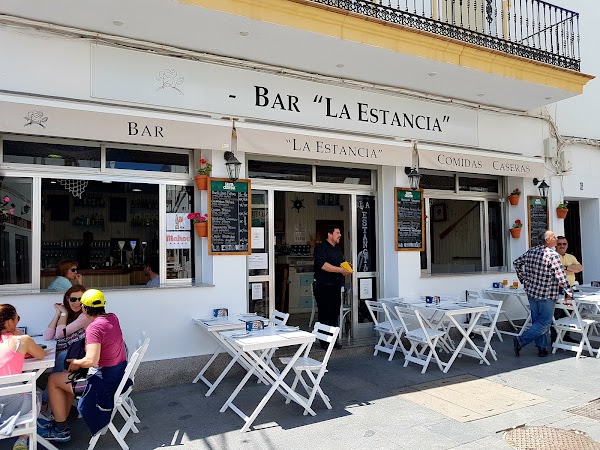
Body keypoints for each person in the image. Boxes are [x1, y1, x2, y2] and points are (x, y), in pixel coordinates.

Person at [38, 289, 127, 442]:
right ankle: (61, 421)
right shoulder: (112, 317)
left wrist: (76, 363)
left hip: (100, 384)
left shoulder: (94, 327)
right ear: (103, 305)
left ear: (84, 308)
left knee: (53, 379)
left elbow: (91, 360)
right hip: (115, 376)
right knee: (63, 378)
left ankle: (61, 430)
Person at [513, 230, 572, 358]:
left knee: (537, 321)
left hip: (532, 292)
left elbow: (516, 263)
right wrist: (569, 292)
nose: (556, 239)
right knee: (544, 323)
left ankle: (542, 347)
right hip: (547, 293)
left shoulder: (531, 251)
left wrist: (523, 279)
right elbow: (561, 276)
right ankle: (521, 340)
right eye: (554, 237)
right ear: (547, 240)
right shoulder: (552, 255)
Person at [0, 304, 47, 450]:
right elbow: (41, 354)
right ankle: (23, 439)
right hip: (13, 403)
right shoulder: (22, 340)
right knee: (35, 393)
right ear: (9, 322)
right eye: (17, 318)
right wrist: (19, 334)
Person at [42, 286, 91, 402]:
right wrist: (58, 313)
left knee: (62, 357)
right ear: (68, 299)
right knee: (61, 357)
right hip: (70, 353)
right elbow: (47, 336)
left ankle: (45, 401)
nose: (77, 303)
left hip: (80, 356)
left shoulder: (85, 316)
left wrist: (63, 313)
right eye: (73, 299)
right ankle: (49, 401)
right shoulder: (69, 314)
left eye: (80, 299)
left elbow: (60, 334)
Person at [313, 225, 351, 349]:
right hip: (324, 286)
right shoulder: (321, 248)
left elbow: (339, 264)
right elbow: (323, 265)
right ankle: (324, 341)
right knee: (325, 314)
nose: (340, 235)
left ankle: (333, 340)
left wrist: (346, 267)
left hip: (336, 286)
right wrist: (340, 270)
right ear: (330, 234)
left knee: (334, 314)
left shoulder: (338, 249)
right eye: (337, 233)